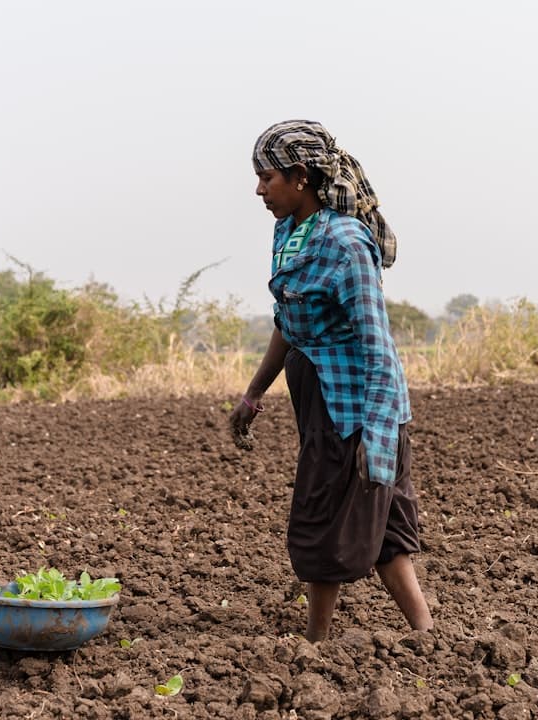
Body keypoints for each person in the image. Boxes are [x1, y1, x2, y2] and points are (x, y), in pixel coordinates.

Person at [229, 119, 433, 642]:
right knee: (385, 531)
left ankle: (316, 646)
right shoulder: (291, 233)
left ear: (299, 176)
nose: (258, 190)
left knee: (321, 524)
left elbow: (378, 348)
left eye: (266, 177)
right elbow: (289, 322)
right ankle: (428, 636)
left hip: (354, 414)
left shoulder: (345, 244)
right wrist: (253, 394)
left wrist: (376, 437)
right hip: (322, 404)